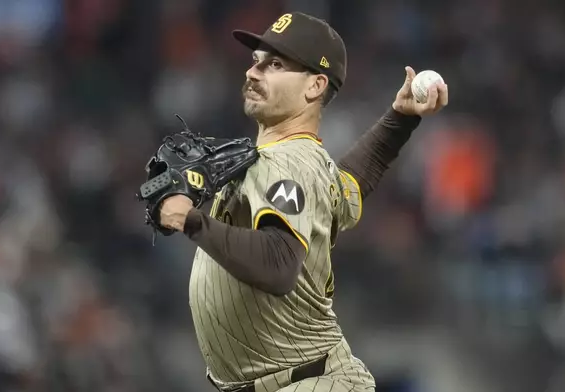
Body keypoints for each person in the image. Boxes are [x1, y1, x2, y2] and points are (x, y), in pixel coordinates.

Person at [157, 11, 448, 392]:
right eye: (256, 60)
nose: (253, 72)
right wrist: (399, 119)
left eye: (275, 64)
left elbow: (279, 264)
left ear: (315, 86)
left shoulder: (289, 160)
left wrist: (193, 221)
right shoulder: (301, 162)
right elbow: (348, 186)